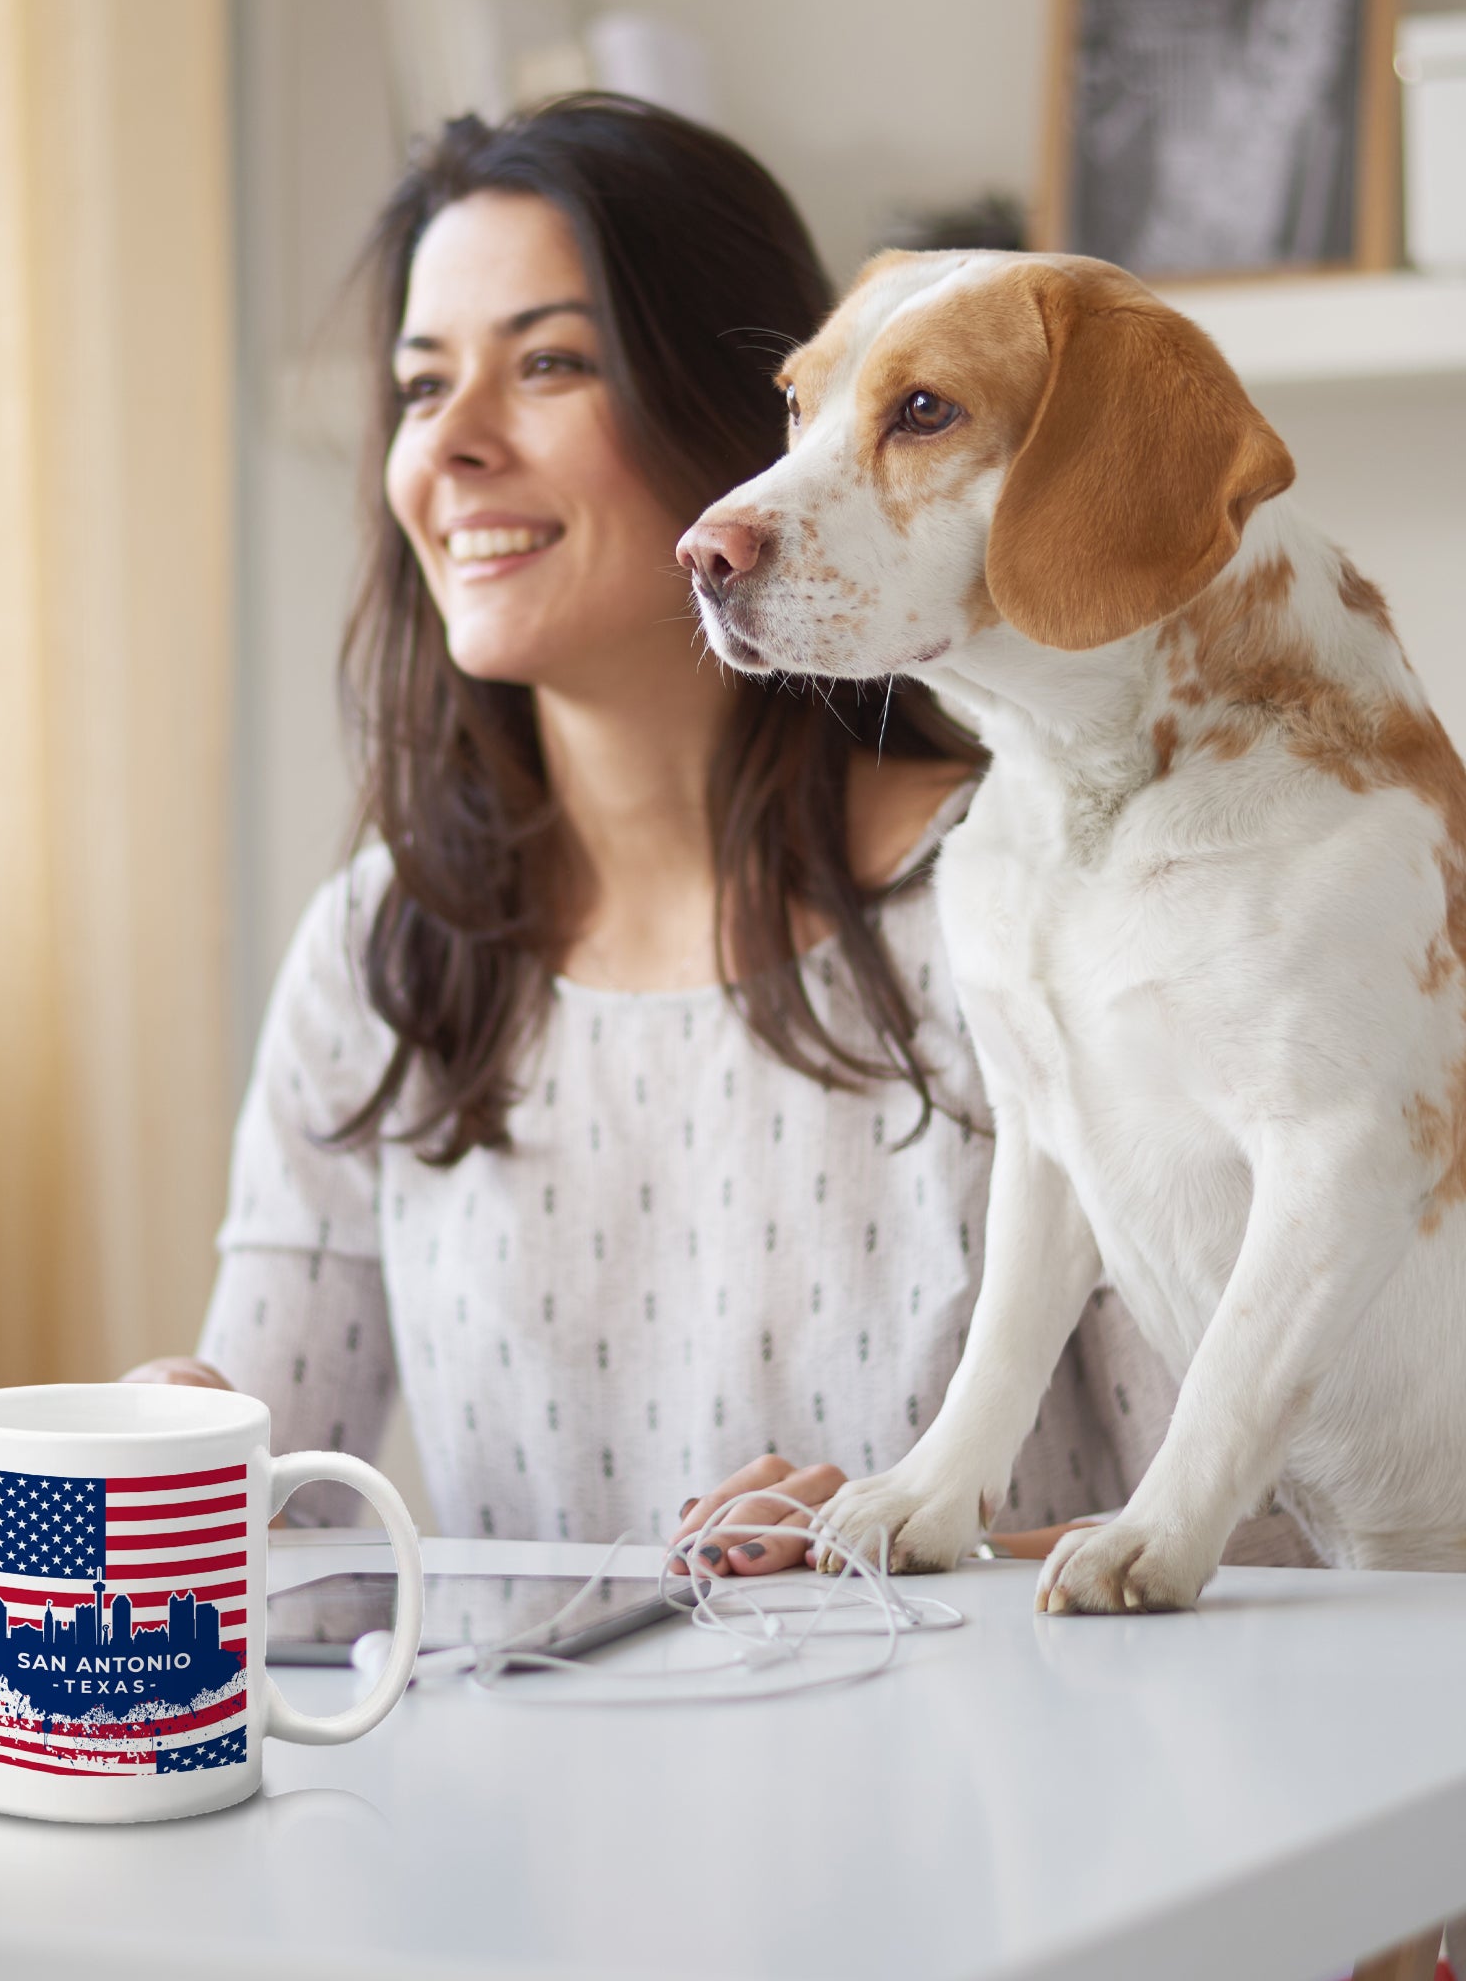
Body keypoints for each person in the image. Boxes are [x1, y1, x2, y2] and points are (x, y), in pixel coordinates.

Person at [127, 95, 1307, 1576]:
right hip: (520, 1807)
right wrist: (163, 1444)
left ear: (752, 419)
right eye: (423, 388)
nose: (455, 447)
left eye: (551, 362)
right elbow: (267, 1544)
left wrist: (881, 1539)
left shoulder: (1044, 922)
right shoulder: (385, 949)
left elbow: (1270, 1546)